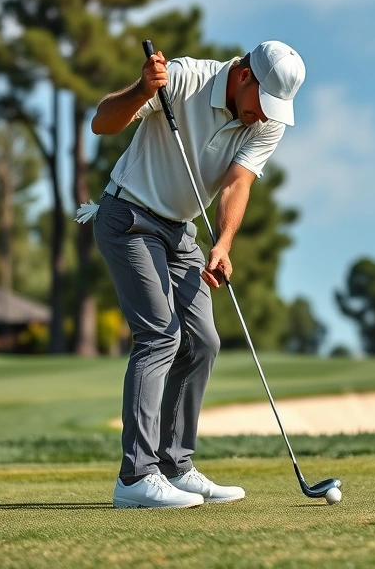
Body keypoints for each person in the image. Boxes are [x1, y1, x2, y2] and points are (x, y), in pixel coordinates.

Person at [78, 41, 305, 509]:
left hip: (180, 232)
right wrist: (142, 89)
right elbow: (102, 123)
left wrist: (222, 243)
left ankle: (174, 467)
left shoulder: (268, 122)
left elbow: (238, 182)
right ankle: (136, 477)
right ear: (244, 77)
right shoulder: (184, 78)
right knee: (161, 336)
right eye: (263, 104)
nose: (265, 118)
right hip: (128, 217)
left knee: (203, 341)